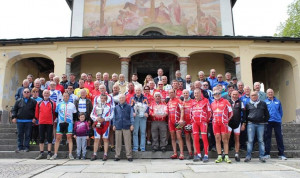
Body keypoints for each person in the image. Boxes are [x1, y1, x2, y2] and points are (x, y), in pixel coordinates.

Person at [242, 91, 270, 163]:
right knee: (250, 140)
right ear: (250, 96)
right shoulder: (248, 105)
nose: (253, 96)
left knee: (261, 140)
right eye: (252, 95)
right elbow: (245, 115)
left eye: (255, 95)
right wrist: (245, 123)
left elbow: (267, 114)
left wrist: (263, 120)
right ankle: (248, 156)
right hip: (251, 124)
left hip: (261, 124)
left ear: (257, 96)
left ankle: (261, 156)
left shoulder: (263, 104)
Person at [50, 92, 77, 160]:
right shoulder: (59, 104)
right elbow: (56, 113)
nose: (65, 97)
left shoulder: (72, 105)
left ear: (69, 97)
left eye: (67, 96)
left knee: (69, 138)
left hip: (69, 123)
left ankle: (70, 154)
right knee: (58, 138)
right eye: (64, 96)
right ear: (62, 97)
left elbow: (75, 114)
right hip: (60, 123)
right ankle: (55, 154)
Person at [211, 87, 233, 163]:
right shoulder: (212, 103)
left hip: (224, 123)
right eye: (215, 94)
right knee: (217, 139)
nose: (216, 95)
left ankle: (226, 155)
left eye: (218, 93)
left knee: (225, 139)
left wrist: (226, 120)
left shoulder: (226, 101)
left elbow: (231, 113)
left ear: (220, 94)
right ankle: (219, 155)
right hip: (215, 123)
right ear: (213, 95)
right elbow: (211, 114)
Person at [12, 88, 37, 152]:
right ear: (22, 93)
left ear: (30, 93)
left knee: (28, 135)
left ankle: (26, 147)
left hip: (29, 121)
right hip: (20, 121)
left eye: (28, 92)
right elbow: (14, 109)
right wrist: (14, 117)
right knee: (20, 134)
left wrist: (35, 118)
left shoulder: (34, 102)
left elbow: (36, 111)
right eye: (25, 92)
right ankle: (19, 147)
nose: (26, 93)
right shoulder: (18, 101)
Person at [264, 89, 287, 160]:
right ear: (267, 94)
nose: (270, 93)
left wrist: (279, 118)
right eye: (269, 93)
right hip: (268, 122)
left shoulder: (278, 101)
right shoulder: (265, 102)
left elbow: (281, 112)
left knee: (279, 137)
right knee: (267, 138)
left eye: (271, 92)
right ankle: (267, 153)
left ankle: (281, 154)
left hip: (277, 122)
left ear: (273, 93)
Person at [90, 94, 114, 161]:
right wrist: (96, 118)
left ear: (106, 99)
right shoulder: (96, 106)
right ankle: (94, 154)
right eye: (102, 98)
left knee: (105, 139)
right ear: (100, 99)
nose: (103, 99)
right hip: (97, 123)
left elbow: (112, 116)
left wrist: (104, 119)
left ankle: (105, 154)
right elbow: (91, 115)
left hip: (105, 124)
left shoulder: (109, 106)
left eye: (104, 98)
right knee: (96, 139)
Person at [191, 88, 211, 162]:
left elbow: (209, 111)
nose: (196, 94)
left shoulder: (205, 100)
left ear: (200, 93)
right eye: (195, 93)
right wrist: (191, 121)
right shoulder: (192, 101)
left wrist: (206, 120)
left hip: (203, 122)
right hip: (194, 122)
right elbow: (191, 112)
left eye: (197, 93)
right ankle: (198, 154)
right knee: (195, 138)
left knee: (204, 138)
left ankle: (206, 155)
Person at [35, 90, 56, 160]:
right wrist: (40, 119)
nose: (46, 94)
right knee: (41, 138)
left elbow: (54, 113)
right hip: (41, 122)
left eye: (47, 93)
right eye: (45, 93)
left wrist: (51, 120)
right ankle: (41, 153)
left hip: (49, 122)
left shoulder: (53, 103)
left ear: (49, 94)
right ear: (43, 94)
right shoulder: (39, 103)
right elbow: (37, 113)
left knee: (49, 138)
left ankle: (49, 153)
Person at [113, 94, 134, 162]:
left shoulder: (129, 107)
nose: (121, 99)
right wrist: (114, 125)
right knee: (118, 142)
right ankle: (117, 156)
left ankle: (129, 156)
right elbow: (114, 117)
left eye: (122, 98)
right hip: (118, 126)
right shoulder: (116, 107)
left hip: (127, 125)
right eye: (120, 98)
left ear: (125, 99)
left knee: (128, 142)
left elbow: (131, 116)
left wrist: (132, 124)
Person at [228, 90, 245, 162]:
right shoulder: (227, 102)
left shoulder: (241, 103)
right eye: (233, 94)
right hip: (228, 123)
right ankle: (225, 153)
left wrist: (244, 123)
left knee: (237, 138)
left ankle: (237, 153)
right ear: (230, 94)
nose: (234, 96)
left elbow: (244, 114)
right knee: (226, 138)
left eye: (236, 94)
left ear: (238, 95)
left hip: (237, 123)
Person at [167, 89, 185, 160]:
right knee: (173, 137)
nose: (171, 94)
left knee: (179, 136)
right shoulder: (169, 102)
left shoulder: (178, 100)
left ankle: (181, 153)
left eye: (172, 92)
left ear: (174, 93)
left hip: (178, 121)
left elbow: (182, 110)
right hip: (170, 122)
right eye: (169, 93)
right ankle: (175, 153)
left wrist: (181, 119)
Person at [130, 86, 149, 152]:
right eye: (137, 90)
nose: (138, 91)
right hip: (136, 117)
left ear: (141, 91)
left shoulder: (145, 98)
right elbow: (131, 107)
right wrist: (133, 113)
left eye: (139, 90)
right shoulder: (132, 98)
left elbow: (147, 107)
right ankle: (135, 148)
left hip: (143, 117)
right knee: (135, 132)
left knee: (143, 132)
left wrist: (146, 112)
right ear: (135, 91)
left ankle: (142, 147)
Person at [182, 89, 194, 159]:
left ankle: (196, 152)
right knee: (187, 137)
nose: (185, 94)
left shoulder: (192, 101)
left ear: (189, 94)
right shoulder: (181, 102)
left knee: (194, 137)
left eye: (186, 93)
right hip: (185, 122)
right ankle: (190, 153)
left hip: (192, 122)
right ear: (182, 94)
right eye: (184, 93)